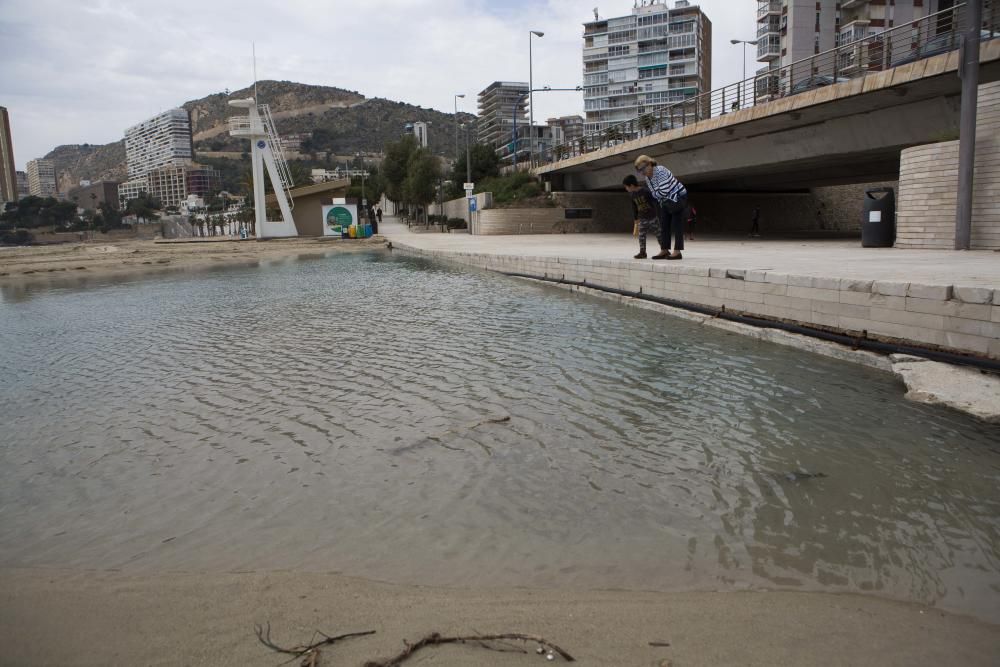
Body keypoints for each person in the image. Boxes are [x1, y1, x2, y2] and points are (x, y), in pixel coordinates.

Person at [634, 154, 687, 260]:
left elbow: (664, 190)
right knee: (664, 225)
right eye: (639, 170)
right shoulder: (648, 178)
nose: (642, 172)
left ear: (649, 164)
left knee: (677, 225)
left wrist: (656, 193)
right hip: (665, 201)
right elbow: (655, 193)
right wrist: (657, 193)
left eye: (643, 168)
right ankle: (664, 250)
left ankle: (677, 252)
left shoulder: (660, 170)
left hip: (677, 197)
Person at [623, 174, 662, 259]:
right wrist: (636, 219)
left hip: (652, 217)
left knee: (659, 235)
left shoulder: (646, 191)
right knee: (641, 236)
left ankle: (664, 250)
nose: (626, 189)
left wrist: (658, 214)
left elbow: (656, 202)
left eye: (626, 187)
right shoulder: (632, 195)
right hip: (642, 218)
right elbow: (634, 207)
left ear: (632, 185)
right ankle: (642, 252)